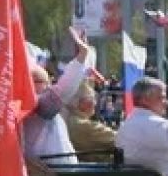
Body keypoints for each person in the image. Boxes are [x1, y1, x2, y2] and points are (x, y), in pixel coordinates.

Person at [22, 28, 94, 168]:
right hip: (50, 174)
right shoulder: (36, 105)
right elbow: (63, 90)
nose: (49, 87)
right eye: (40, 81)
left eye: (48, 82)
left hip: (57, 171)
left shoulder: (39, 104)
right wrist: (81, 57)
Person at [64, 82, 117, 157]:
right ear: (79, 103)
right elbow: (120, 140)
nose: (95, 103)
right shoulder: (84, 125)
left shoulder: (69, 119)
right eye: (91, 98)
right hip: (98, 166)